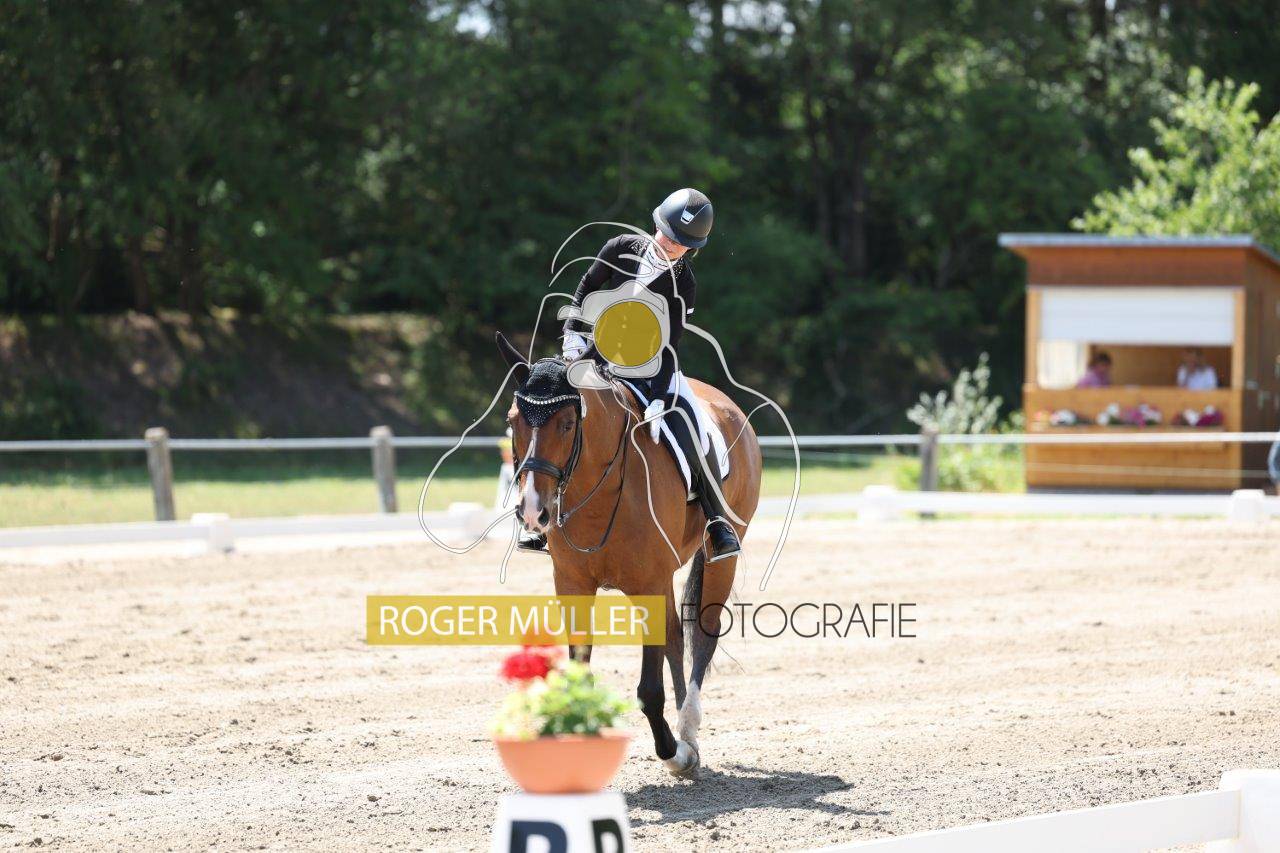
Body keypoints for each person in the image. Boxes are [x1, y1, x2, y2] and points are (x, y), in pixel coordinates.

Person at [517, 187, 741, 562]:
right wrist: (572, 332)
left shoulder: (684, 284)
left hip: (652, 367)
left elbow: (669, 345)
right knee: (548, 409)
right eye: (667, 235)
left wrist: (660, 398)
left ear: (693, 247)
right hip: (594, 354)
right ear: (657, 225)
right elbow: (588, 286)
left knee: (690, 426)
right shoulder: (620, 247)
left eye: (681, 243)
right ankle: (535, 518)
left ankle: (717, 521)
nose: (670, 245)